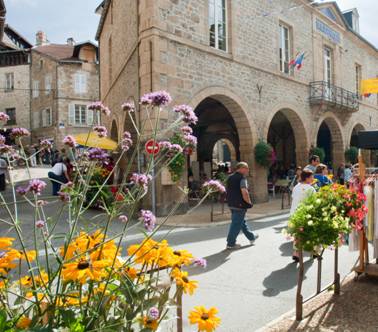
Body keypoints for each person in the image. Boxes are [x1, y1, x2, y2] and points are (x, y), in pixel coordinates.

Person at [226, 162, 258, 249]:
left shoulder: (230, 177)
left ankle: (251, 237)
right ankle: (230, 244)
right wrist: (249, 202)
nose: (248, 170)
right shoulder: (242, 178)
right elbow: (244, 192)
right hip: (239, 205)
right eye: (246, 168)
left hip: (231, 203)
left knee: (241, 222)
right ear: (241, 168)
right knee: (236, 224)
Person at [290, 169, 316, 262]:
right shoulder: (311, 188)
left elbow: (293, 197)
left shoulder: (296, 187)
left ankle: (295, 253)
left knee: (297, 233)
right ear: (307, 178)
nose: (313, 178)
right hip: (305, 213)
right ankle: (314, 251)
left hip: (294, 213)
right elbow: (314, 201)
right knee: (311, 232)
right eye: (312, 177)